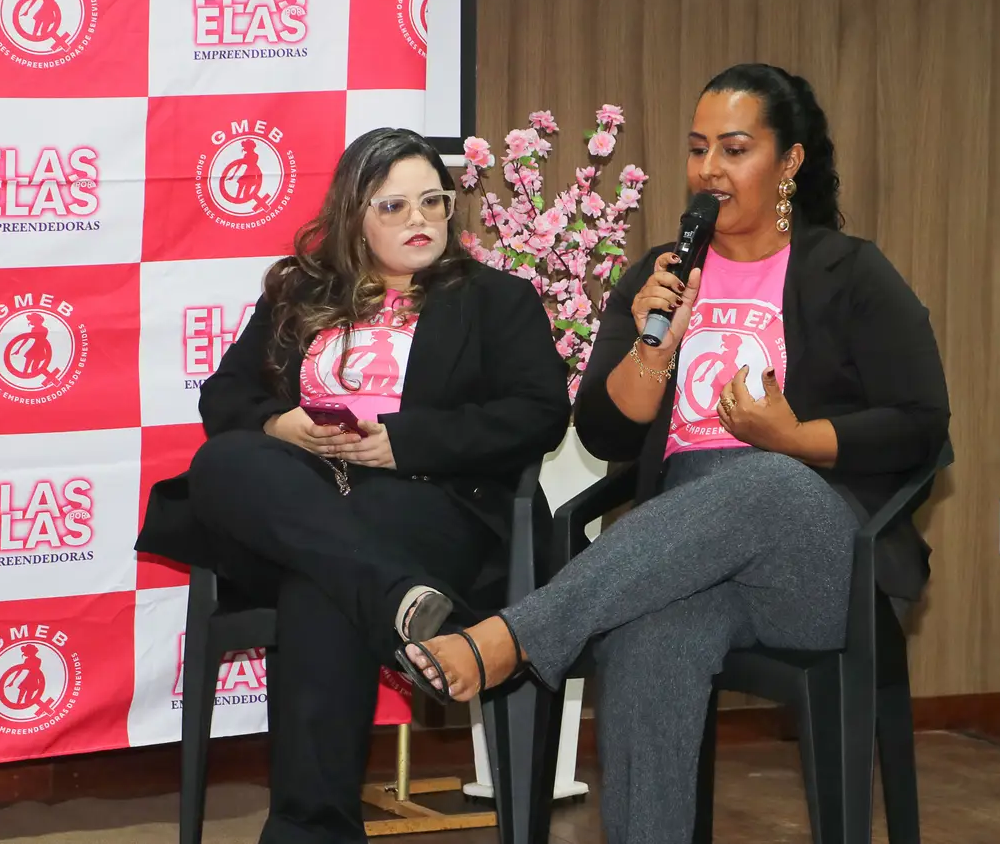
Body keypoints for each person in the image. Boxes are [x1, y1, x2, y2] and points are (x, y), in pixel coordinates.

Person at [398, 64, 951, 844]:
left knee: (765, 479)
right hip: (687, 555)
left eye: (734, 149)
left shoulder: (850, 271)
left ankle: (515, 635)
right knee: (649, 638)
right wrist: (654, 347)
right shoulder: (660, 276)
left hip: (819, 549)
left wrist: (792, 439)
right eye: (698, 150)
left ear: (789, 161)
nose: (709, 170)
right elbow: (604, 436)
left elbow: (922, 423)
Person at [134, 127, 571, 844]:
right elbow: (225, 397)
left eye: (432, 201)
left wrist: (404, 443)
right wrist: (285, 426)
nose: (419, 219)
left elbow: (538, 413)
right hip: (303, 505)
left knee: (321, 578)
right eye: (393, 206)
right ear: (354, 217)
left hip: (428, 506)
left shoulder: (495, 299)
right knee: (223, 463)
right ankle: (397, 601)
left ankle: (309, 833)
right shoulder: (300, 293)